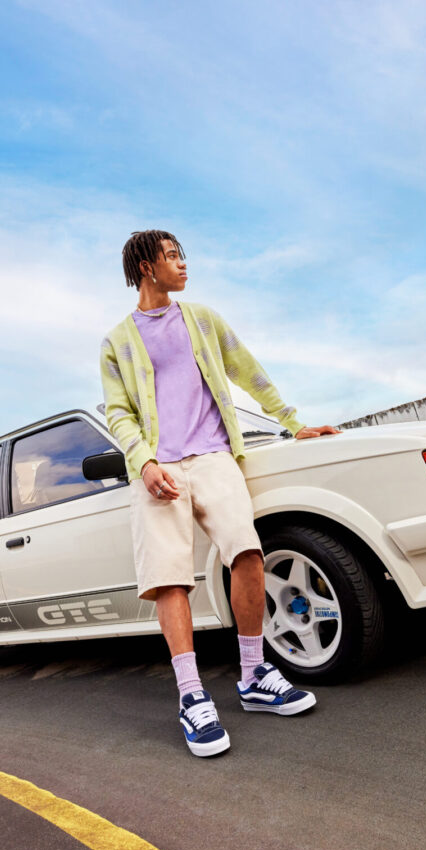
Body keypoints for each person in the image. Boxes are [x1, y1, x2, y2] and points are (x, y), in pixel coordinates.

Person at [99, 229, 341, 757]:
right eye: (171, 256)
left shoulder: (202, 319)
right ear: (145, 267)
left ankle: (254, 675)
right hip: (159, 468)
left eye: (181, 254)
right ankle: (191, 695)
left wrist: (292, 422)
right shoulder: (116, 341)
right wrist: (142, 464)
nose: (183, 264)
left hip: (212, 457)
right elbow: (118, 412)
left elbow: (248, 371)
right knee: (170, 579)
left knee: (249, 554)